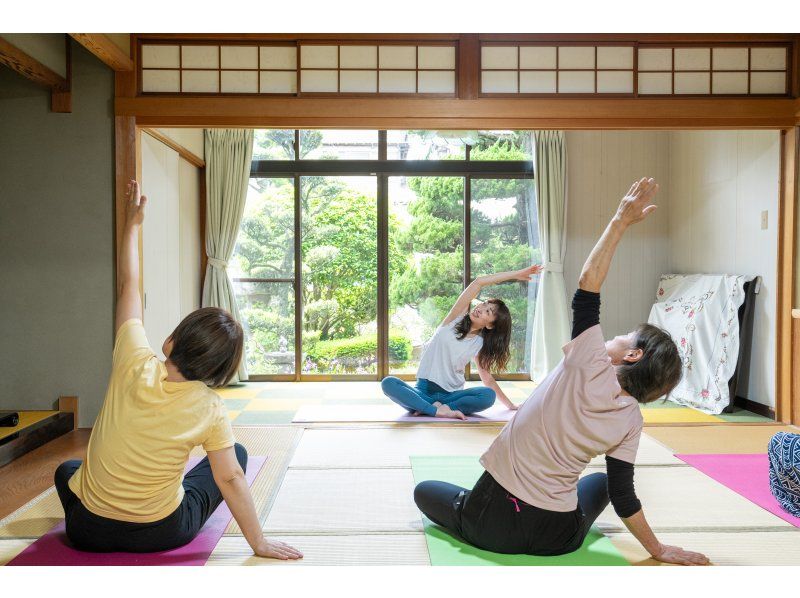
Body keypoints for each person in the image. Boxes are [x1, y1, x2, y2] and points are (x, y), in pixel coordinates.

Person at [413, 178, 710, 565]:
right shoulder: (631, 420)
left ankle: (472, 513)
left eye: (623, 336)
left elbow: (588, 286)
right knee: (603, 481)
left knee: (425, 490)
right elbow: (624, 495)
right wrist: (658, 550)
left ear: (633, 355)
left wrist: (620, 219)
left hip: (489, 524)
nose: (614, 336)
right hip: (558, 536)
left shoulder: (588, 359)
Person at [53, 181, 302, 560]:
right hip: (161, 533)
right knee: (234, 455)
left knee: (68, 470)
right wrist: (259, 543)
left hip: (86, 530)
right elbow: (230, 478)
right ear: (217, 370)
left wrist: (132, 225)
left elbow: (128, 286)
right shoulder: (209, 407)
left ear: (171, 340)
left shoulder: (131, 362)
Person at [381, 265, 543, 420]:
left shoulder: (480, 343)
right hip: (423, 390)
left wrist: (510, 405)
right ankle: (439, 410)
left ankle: (429, 408)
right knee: (389, 383)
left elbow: (487, 379)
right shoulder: (454, 319)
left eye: (488, 311)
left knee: (487, 396)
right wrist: (515, 275)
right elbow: (478, 282)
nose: (481, 307)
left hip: (451, 395)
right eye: (484, 303)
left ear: (490, 325)